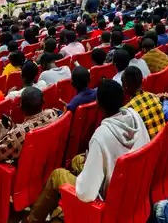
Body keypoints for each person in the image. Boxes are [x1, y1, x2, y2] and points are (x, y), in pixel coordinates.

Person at [26, 80, 150, 223]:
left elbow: (86, 194)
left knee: (57, 175)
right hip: (133, 184)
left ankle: (32, 220)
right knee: (77, 160)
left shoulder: (101, 136)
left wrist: (82, 182)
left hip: (110, 197)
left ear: (98, 103)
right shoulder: (134, 116)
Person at [0, 87, 61, 207]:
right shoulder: (52, 114)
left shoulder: (19, 133)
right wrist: (12, 130)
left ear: (21, 108)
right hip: (44, 165)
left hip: (23, 174)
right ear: (43, 102)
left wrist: (1, 136)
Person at [122, 66, 165, 138]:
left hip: (149, 144)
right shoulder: (154, 97)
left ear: (125, 85)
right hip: (163, 141)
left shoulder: (128, 111)